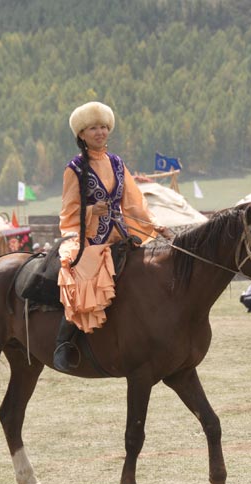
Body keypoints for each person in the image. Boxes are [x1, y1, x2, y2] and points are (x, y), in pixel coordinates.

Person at [54, 100, 169, 371]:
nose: (100, 132)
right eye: (93, 128)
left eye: (104, 127)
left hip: (119, 235)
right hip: (88, 238)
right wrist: (92, 209)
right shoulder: (75, 168)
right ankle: (63, 343)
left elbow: (133, 203)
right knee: (81, 277)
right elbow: (69, 211)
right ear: (81, 134)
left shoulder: (117, 163)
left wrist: (155, 225)